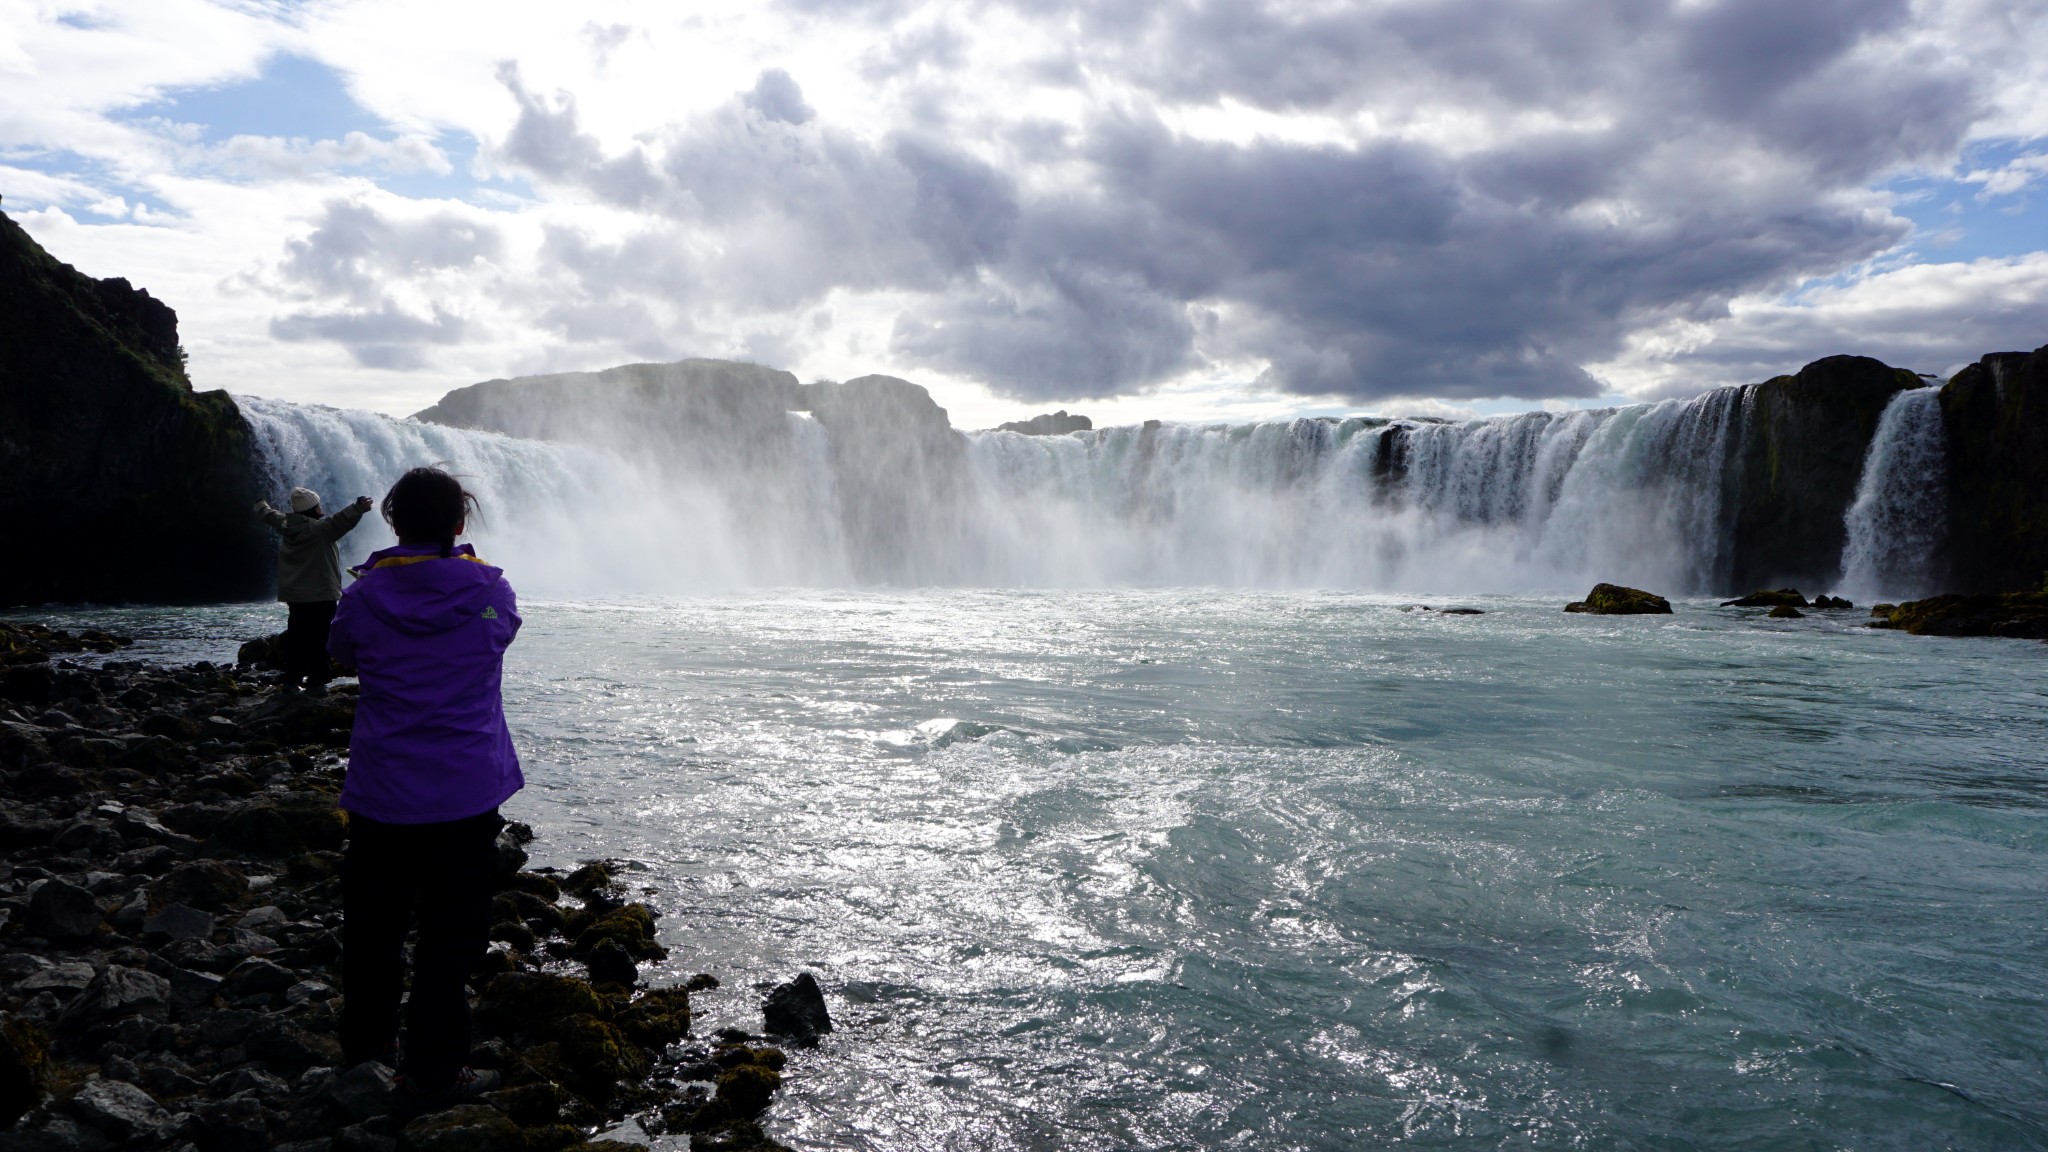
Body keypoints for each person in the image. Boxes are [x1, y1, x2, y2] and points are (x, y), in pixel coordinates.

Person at [328, 466, 523, 1109]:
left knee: (374, 931)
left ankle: (364, 1056)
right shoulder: (492, 591)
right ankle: (436, 1072)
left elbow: (345, 654)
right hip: (467, 793)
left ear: (392, 522)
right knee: (451, 939)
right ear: (460, 523)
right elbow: (500, 630)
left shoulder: (361, 598)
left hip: (385, 790)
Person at [253, 487, 373, 694]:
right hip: (321, 595)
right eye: (318, 505)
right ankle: (317, 683)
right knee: (320, 639)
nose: (321, 507)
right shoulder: (321, 530)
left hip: (296, 596)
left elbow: (268, 515)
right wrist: (358, 507)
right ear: (311, 509)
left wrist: (259, 504)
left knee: (297, 637)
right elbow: (340, 520)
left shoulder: (285, 525)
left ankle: (291, 681)